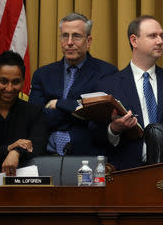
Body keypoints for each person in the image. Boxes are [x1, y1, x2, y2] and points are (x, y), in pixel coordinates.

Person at [94, 15, 163, 170]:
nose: (160, 41)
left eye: (161, 36)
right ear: (134, 41)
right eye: (152, 36)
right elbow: (94, 135)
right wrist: (114, 129)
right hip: (126, 174)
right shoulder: (108, 85)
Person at [29, 12, 117, 156]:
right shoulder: (42, 74)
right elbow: (35, 118)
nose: (69, 42)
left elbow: (100, 117)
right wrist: (79, 114)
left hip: (85, 155)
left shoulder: (106, 72)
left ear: (88, 41)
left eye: (76, 36)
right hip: (45, 154)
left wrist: (59, 104)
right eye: (65, 36)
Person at [0, 51, 49, 175]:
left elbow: (38, 147)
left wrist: (17, 151)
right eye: (3, 81)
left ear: (23, 81)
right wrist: (9, 149)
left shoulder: (35, 113)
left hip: (22, 184)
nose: (9, 88)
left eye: (15, 82)